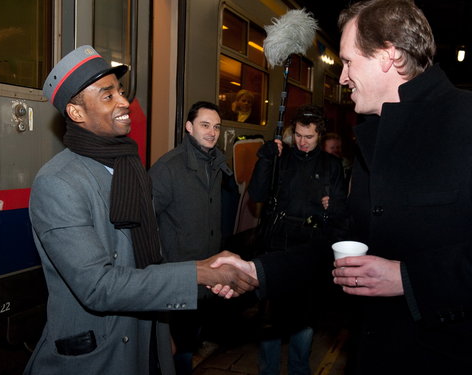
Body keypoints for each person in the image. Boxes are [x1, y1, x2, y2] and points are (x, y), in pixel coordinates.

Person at [213, 0, 472, 374]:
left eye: (349, 62)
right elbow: (342, 241)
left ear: (387, 55)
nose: (342, 78)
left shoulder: (465, 122)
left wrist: (408, 278)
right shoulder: (376, 137)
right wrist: (256, 272)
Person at [24, 45, 257, 375]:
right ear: (77, 113)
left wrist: (164, 332)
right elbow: (99, 286)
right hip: (97, 357)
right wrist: (198, 274)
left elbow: (144, 260)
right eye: (108, 96)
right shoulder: (58, 183)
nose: (123, 101)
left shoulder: (127, 167)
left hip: (146, 340)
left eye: (120, 90)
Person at [247, 105, 347, 375]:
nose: (302, 142)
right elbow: (256, 194)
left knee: (304, 317)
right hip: (277, 246)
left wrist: (335, 207)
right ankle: (268, 370)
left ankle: (299, 369)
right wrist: (265, 160)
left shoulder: (332, 166)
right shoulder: (282, 158)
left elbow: (341, 215)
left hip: (310, 249)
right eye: (299, 136)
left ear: (320, 136)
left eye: (309, 137)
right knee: (271, 317)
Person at [148, 101, 232, 374]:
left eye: (216, 127)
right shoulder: (168, 168)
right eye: (205, 125)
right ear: (188, 127)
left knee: (189, 342)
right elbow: (146, 222)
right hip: (178, 274)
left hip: (204, 274)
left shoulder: (215, 164)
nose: (212, 132)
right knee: (178, 350)